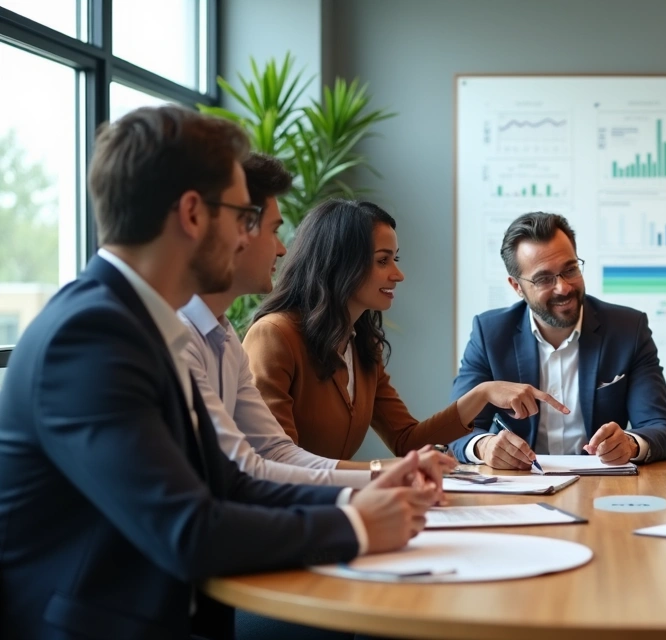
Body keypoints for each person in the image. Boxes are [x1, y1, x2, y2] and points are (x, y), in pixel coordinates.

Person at [0, 106, 449, 639]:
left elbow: (231, 481)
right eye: (242, 217)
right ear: (192, 215)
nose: (251, 240)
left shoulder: (146, 323)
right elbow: (187, 529)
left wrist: (360, 497)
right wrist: (356, 524)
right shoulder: (93, 336)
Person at [244, 199, 555, 460]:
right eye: (383, 261)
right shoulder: (274, 336)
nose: (398, 274)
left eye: (395, 259)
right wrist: (383, 475)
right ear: (340, 263)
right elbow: (279, 460)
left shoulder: (361, 346)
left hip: (335, 503)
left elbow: (407, 440)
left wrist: (481, 393)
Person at [179, 153, 384, 488]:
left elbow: (274, 452)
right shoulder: (179, 340)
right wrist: (366, 491)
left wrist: (380, 478)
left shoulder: (225, 338)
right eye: (274, 231)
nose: (282, 249)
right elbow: (243, 469)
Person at [449, 212, 666, 469]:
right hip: (522, 481)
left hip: (601, 484)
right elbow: (455, 428)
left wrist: (631, 443)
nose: (564, 288)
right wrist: (484, 446)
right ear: (517, 286)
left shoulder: (628, 329)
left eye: (570, 270)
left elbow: (662, 427)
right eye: (543, 279)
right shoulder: (490, 334)